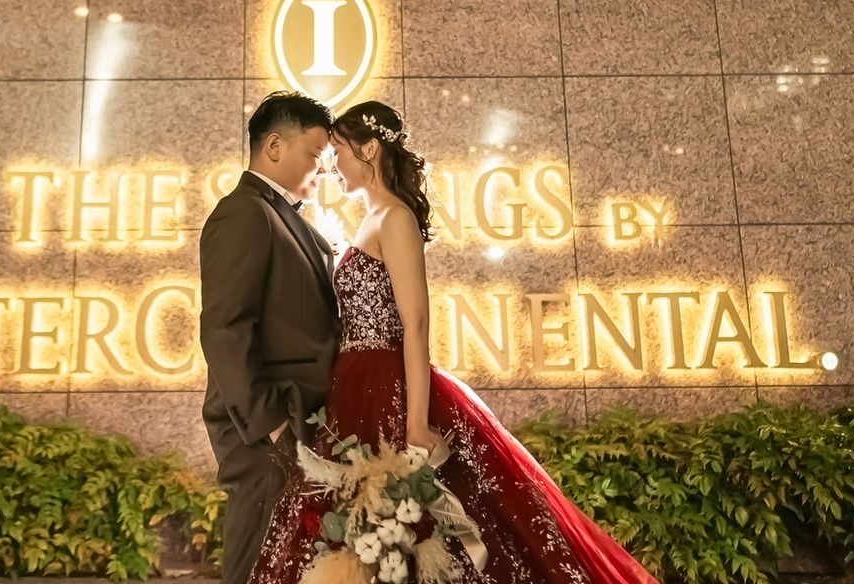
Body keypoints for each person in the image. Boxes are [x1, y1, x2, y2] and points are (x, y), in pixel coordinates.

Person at [251, 100, 661, 584]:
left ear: (370, 149)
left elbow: (416, 323)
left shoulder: (395, 217)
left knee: (412, 527)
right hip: (354, 384)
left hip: (388, 385)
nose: (331, 165)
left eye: (338, 151)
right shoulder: (372, 218)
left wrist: (416, 423)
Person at [199, 91, 342, 584]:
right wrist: (272, 427)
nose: (323, 170)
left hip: (296, 422)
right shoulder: (243, 212)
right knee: (255, 562)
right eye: (316, 156)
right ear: (275, 146)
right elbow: (225, 328)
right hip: (267, 429)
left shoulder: (280, 213)